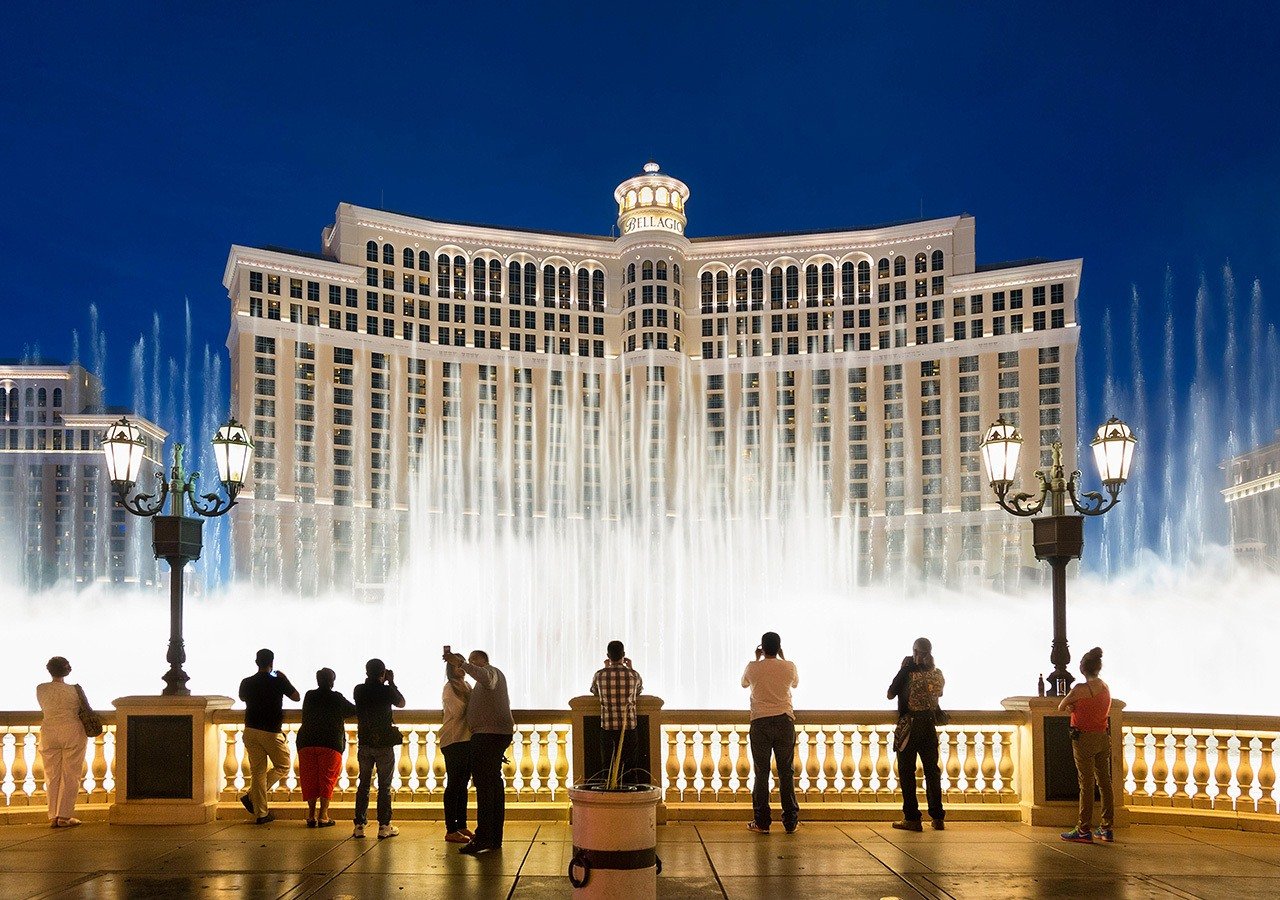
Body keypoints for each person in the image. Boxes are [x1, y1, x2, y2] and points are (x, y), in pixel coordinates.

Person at [444, 649, 514, 855]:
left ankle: (484, 837)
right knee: (492, 786)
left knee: (485, 787)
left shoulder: (491, 672)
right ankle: (493, 838)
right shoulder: (479, 682)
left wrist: (462, 663)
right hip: (490, 736)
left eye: (474, 660)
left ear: (484, 660)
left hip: (488, 736)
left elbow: (486, 678)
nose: (469, 664)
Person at [741, 631, 800, 835]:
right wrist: (782, 658)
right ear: (779, 647)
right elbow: (795, 683)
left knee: (761, 772)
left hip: (760, 722)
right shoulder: (789, 666)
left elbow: (744, 683)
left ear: (762, 647)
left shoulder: (752, 667)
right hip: (784, 721)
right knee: (786, 772)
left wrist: (757, 659)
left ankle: (762, 822)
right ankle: (790, 822)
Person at [887, 637, 946, 832]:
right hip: (929, 725)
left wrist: (904, 668)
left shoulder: (908, 673)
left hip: (910, 726)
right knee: (932, 772)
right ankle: (937, 818)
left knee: (906, 772)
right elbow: (936, 697)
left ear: (914, 651)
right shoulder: (937, 674)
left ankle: (912, 818)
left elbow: (890, 693)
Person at [1059, 647, 1114, 844]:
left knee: (1086, 783)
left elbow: (1061, 705)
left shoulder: (1080, 689)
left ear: (1082, 669)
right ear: (1098, 668)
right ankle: (1106, 827)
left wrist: (1072, 706)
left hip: (1083, 739)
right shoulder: (1105, 687)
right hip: (1102, 737)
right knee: (1105, 782)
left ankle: (1083, 829)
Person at [238, 648, 300, 825]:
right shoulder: (278, 682)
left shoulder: (246, 682)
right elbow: (296, 697)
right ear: (272, 662)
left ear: (256, 662)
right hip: (270, 731)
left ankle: (261, 813)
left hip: (250, 730)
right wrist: (284, 679)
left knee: (257, 771)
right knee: (283, 765)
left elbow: (242, 697)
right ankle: (251, 797)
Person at [352, 658, 405, 839]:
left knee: (364, 784)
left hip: (365, 742)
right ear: (383, 673)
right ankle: (384, 826)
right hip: (383, 743)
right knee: (384, 786)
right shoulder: (386, 690)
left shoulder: (358, 690)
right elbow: (401, 702)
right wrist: (391, 682)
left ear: (366, 672)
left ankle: (359, 825)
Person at [296, 668, 357, 828]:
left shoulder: (309, 696)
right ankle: (323, 815)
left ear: (317, 680)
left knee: (309, 779)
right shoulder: (336, 697)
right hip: (330, 743)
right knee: (327, 779)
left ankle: (310, 815)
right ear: (332, 681)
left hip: (307, 741)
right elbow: (353, 710)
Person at [37, 657, 87, 828]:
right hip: (72, 731)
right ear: (67, 670)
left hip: (49, 732)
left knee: (52, 774)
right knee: (70, 774)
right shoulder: (74, 690)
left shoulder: (41, 689)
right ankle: (64, 816)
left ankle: (53, 816)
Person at [590, 640, 644, 785]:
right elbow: (638, 691)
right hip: (629, 727)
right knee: (630, 766)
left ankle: (608, 800)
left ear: (608, 656)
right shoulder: (633, 675)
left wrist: (606, 668)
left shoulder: (599, 675)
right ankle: (630, 797)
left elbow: (594, 691)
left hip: (607, 727)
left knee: (607, 766)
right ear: (624, 655)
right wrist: (630, 668)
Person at [441, 658, 474, 844]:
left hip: (466, 740)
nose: (461, 667)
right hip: (453, 740)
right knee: (454, 784)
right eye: (456, 664)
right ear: (450, 668)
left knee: (463, 785)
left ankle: (461, 825)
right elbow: (458, 710)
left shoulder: (467, 685)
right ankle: (450, 829)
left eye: (462, 663)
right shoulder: (449, 687)